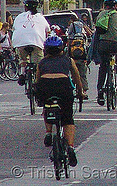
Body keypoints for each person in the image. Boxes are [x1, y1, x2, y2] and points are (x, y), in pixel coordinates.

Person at [34, 36, 83, 167]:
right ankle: (71, 148)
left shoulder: (42, 62)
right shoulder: (68, 60)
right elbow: (77, 76)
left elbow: (37, 80)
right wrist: (80, 92)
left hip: (45, 86)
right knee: (68, 119)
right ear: (62, 48)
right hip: (63, 86)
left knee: (47, 106)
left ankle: (49, 133)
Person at [13, 0, 50, 85]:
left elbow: (15, 28)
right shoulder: (41, 17)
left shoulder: (19, 17)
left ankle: (22, 73)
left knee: (23, 59)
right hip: (36, 43)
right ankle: (38, 82)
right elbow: (47, 30)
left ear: (25, 7)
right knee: (38, 64)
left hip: (20, 43)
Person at [66, 14, 91, 99]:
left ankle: (71, 88)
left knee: (72, 74)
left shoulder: (72, 25)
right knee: (83, 75)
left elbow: (69, 34)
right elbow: (87, 33)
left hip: (73, 56)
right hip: (82, 56)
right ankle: (84, 91)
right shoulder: (81, 24)